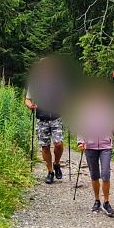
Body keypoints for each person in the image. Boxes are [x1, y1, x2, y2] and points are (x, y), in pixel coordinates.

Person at [74, 79, 114, 218]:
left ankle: (106, 202)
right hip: (89, 146)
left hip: (106, 146)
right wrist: (80, 141)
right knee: (94, 175)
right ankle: (97, 200)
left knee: (106, 174)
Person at [24, 56, 69, 184]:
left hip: (56, 116)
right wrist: (30, 105)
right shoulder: (35, 83)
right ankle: (50, 171)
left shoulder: (59, 82)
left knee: (59, 143)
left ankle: (57, 163)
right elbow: (27, 99)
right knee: (45, 146)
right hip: (41, 117)